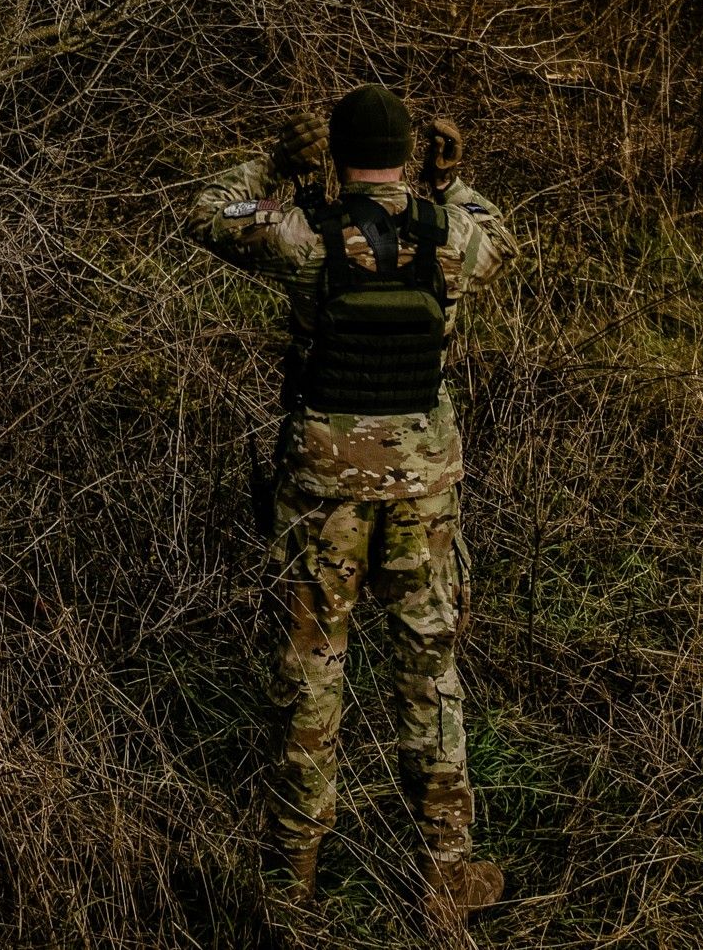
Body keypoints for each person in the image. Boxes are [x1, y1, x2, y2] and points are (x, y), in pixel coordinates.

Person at [184, 80, 514, 942]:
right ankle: (446, 876)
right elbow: (500, 239)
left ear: (337, 156)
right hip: (423, 490)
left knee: (310, 674)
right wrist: (448, 181)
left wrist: (277, 163)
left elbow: (209, 211)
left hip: (322, 487)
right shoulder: (456, 239)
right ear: (410, 152)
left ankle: (291, 881)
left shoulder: (303, 238)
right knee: (430, 671)